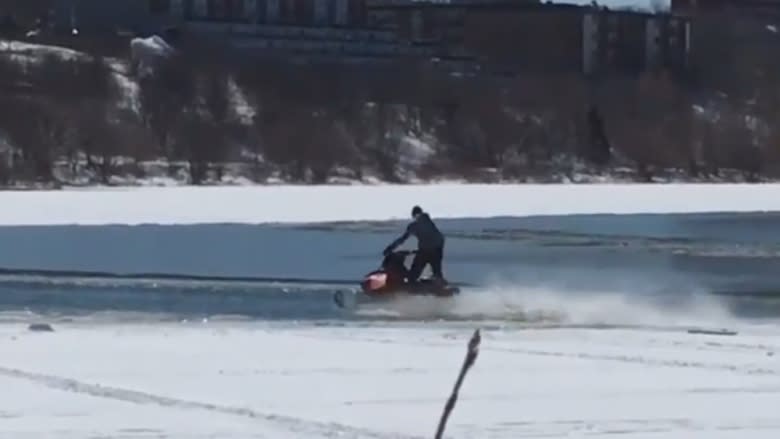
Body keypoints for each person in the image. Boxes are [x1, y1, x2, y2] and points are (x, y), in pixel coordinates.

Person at [384, 205, 445, 283]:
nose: (416, 217)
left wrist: (390, 248)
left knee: (415, 274)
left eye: (416, 215)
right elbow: (440, 238)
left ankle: (435, 286)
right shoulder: (428, 222)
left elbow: (403, 238)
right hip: (434, 250)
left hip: (429, 251)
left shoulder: (417, 225)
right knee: (436, 272)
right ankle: (437, 285)